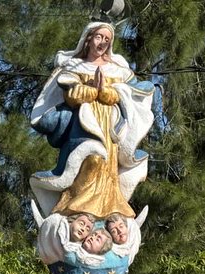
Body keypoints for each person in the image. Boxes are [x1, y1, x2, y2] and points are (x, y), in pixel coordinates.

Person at [28, 22, 154, 223]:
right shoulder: (73, 67)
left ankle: (109, 205)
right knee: (89, 159)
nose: (103, 42)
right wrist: (92, 91)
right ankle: (76, 204)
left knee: (107, 164)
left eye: (107, 39)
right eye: (99, 37)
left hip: (110, 124)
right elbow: (71, 96)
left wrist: (107, 92)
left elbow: (132, 94)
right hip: (83, 125)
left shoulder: (117, 70)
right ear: (88, 40)